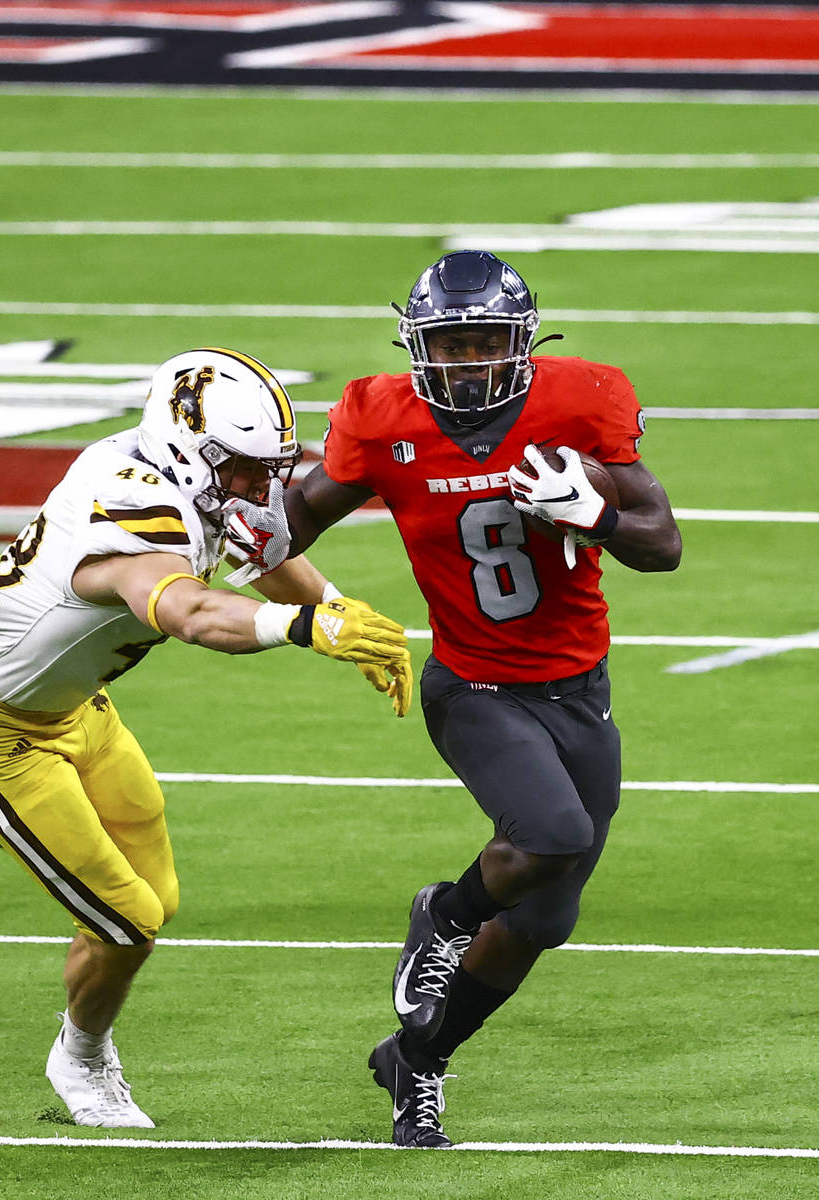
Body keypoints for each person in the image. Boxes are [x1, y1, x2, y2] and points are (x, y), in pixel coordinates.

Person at [0, 346, 412, 1129]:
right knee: (125, 919)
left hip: (74, 707)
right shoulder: (129, 507)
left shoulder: (190, 478)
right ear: (189, 448)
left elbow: (262, 554)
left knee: (158, 895)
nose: (259, 487)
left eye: (268, 468)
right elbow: (190, 612)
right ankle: (80, 1061)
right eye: (242, 470)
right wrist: (305, 626)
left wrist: (340, 607)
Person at [282, 250, 682, 1147]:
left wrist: (599, 517)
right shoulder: (381, 416)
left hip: (579, 689)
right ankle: (447, 915)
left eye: (483, 342)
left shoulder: (580, 403)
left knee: (545, 918)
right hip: (473, 685)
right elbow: (292, 519)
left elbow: (664, 545)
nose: (467, 362)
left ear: (521, 341)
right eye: (450, 345)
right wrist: (218, 518)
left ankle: (416, 1059)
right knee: (553, 834)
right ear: (421, 349)